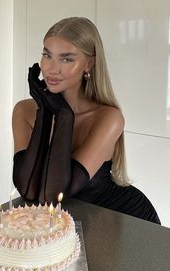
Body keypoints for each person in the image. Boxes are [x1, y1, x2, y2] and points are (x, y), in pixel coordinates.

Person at [12, 17, 161, 224]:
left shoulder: (108, 118)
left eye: (66, 59)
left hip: (115, 216)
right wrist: (45, 113)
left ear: (89, 64)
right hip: (58, 226)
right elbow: (27, 190)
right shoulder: (24, 111)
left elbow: (55, 195)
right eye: (47, 55)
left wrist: (63, 114)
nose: (51, 69)